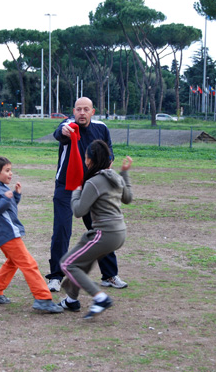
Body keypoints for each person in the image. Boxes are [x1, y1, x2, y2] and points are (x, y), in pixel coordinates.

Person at [46, 97, 127, 292]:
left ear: (92, 111)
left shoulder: (101, 128)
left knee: (101, 230)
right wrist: (64, 131)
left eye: (86, 109)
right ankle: (56, 276)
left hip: (92, 186)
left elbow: (109, 155)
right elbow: (60, 133)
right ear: (73, 111)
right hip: (66, 187)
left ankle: (109, 275)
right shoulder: (68, 125)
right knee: (62, 230)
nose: (82, 113)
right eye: (78, 109)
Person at [0, 156, 63, 313]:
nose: (11, 173)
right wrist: (5, 200)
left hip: (6, 232)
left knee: (13, 262)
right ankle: (43, 299)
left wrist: (15, 195)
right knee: (29, 264)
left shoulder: (0, 186)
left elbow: (8, 208)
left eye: (10, 170)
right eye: (7, 171)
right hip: (6, 233)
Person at [58, 140, 133, 319]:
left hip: (105, 233)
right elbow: (128, 198)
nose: (85, 161)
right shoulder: (115, 177)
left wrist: (76, 191)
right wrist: (125, 174)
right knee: (82, 260)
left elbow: (78, 211)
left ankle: (100, 298)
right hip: (119, 232)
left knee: (67, 263)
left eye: (86, 158)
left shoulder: (93, 182)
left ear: (90, 160)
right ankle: (71, 300)